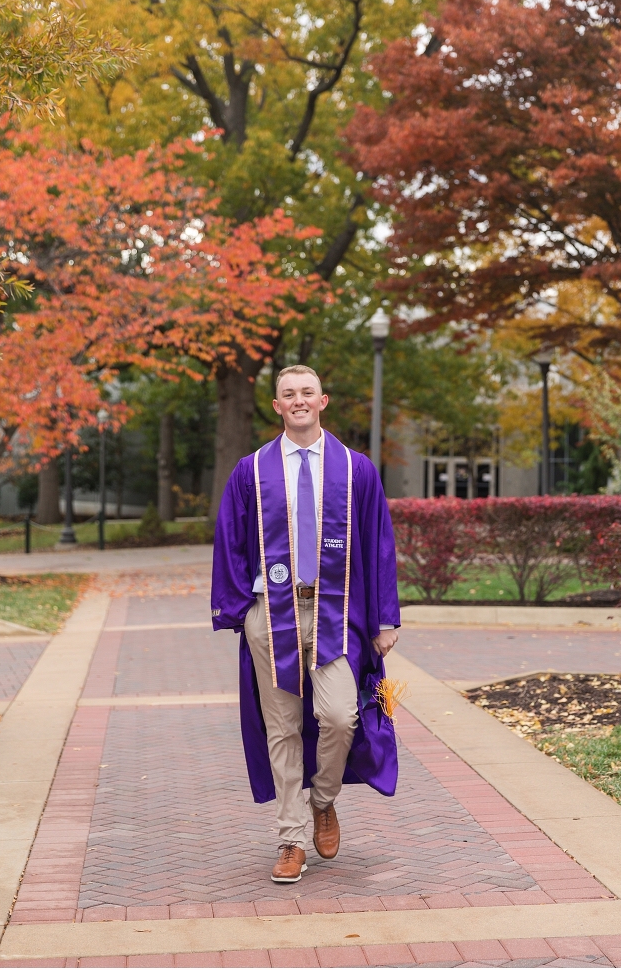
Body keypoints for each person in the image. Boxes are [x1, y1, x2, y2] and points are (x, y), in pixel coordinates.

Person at [211, 364, 400, 883]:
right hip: (271, 615)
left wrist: (385, 618)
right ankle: (291, 838)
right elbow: (229, 541)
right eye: (288, 394)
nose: (298, 400)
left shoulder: (356, 469)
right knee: (283, 727)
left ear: (323, 401)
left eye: (307, 392)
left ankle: (323, 800)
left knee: (341, 716)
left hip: (337, 613)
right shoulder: (250, 471)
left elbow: (379, 544)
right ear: (277, 407)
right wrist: (235, 610)